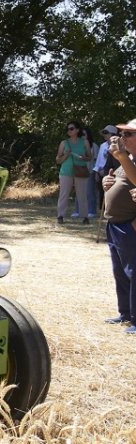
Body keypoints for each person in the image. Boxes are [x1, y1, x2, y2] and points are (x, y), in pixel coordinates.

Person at [100, 122, 136, 332]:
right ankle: (125, 313)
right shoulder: (129, 159)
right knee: (120, 272)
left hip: (128, 226)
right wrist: (107, 183)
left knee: (133, 272)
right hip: (115, 225)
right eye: (121, 133)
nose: (123, 137)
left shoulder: (126, 158)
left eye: (129, 134)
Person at [56, 120, 92, 224]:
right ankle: (60, 216)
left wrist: (84, 158)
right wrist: (66, 155)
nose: (69, 131)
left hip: (80, 171)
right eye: (68, 129)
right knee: (64, 194)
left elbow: (90, 157)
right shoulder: (64, 143)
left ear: (77, 130)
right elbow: (58, 160)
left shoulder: (84, 142)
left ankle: (85, 217)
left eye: (71, 128)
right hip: (66, 172)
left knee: (82, 194)